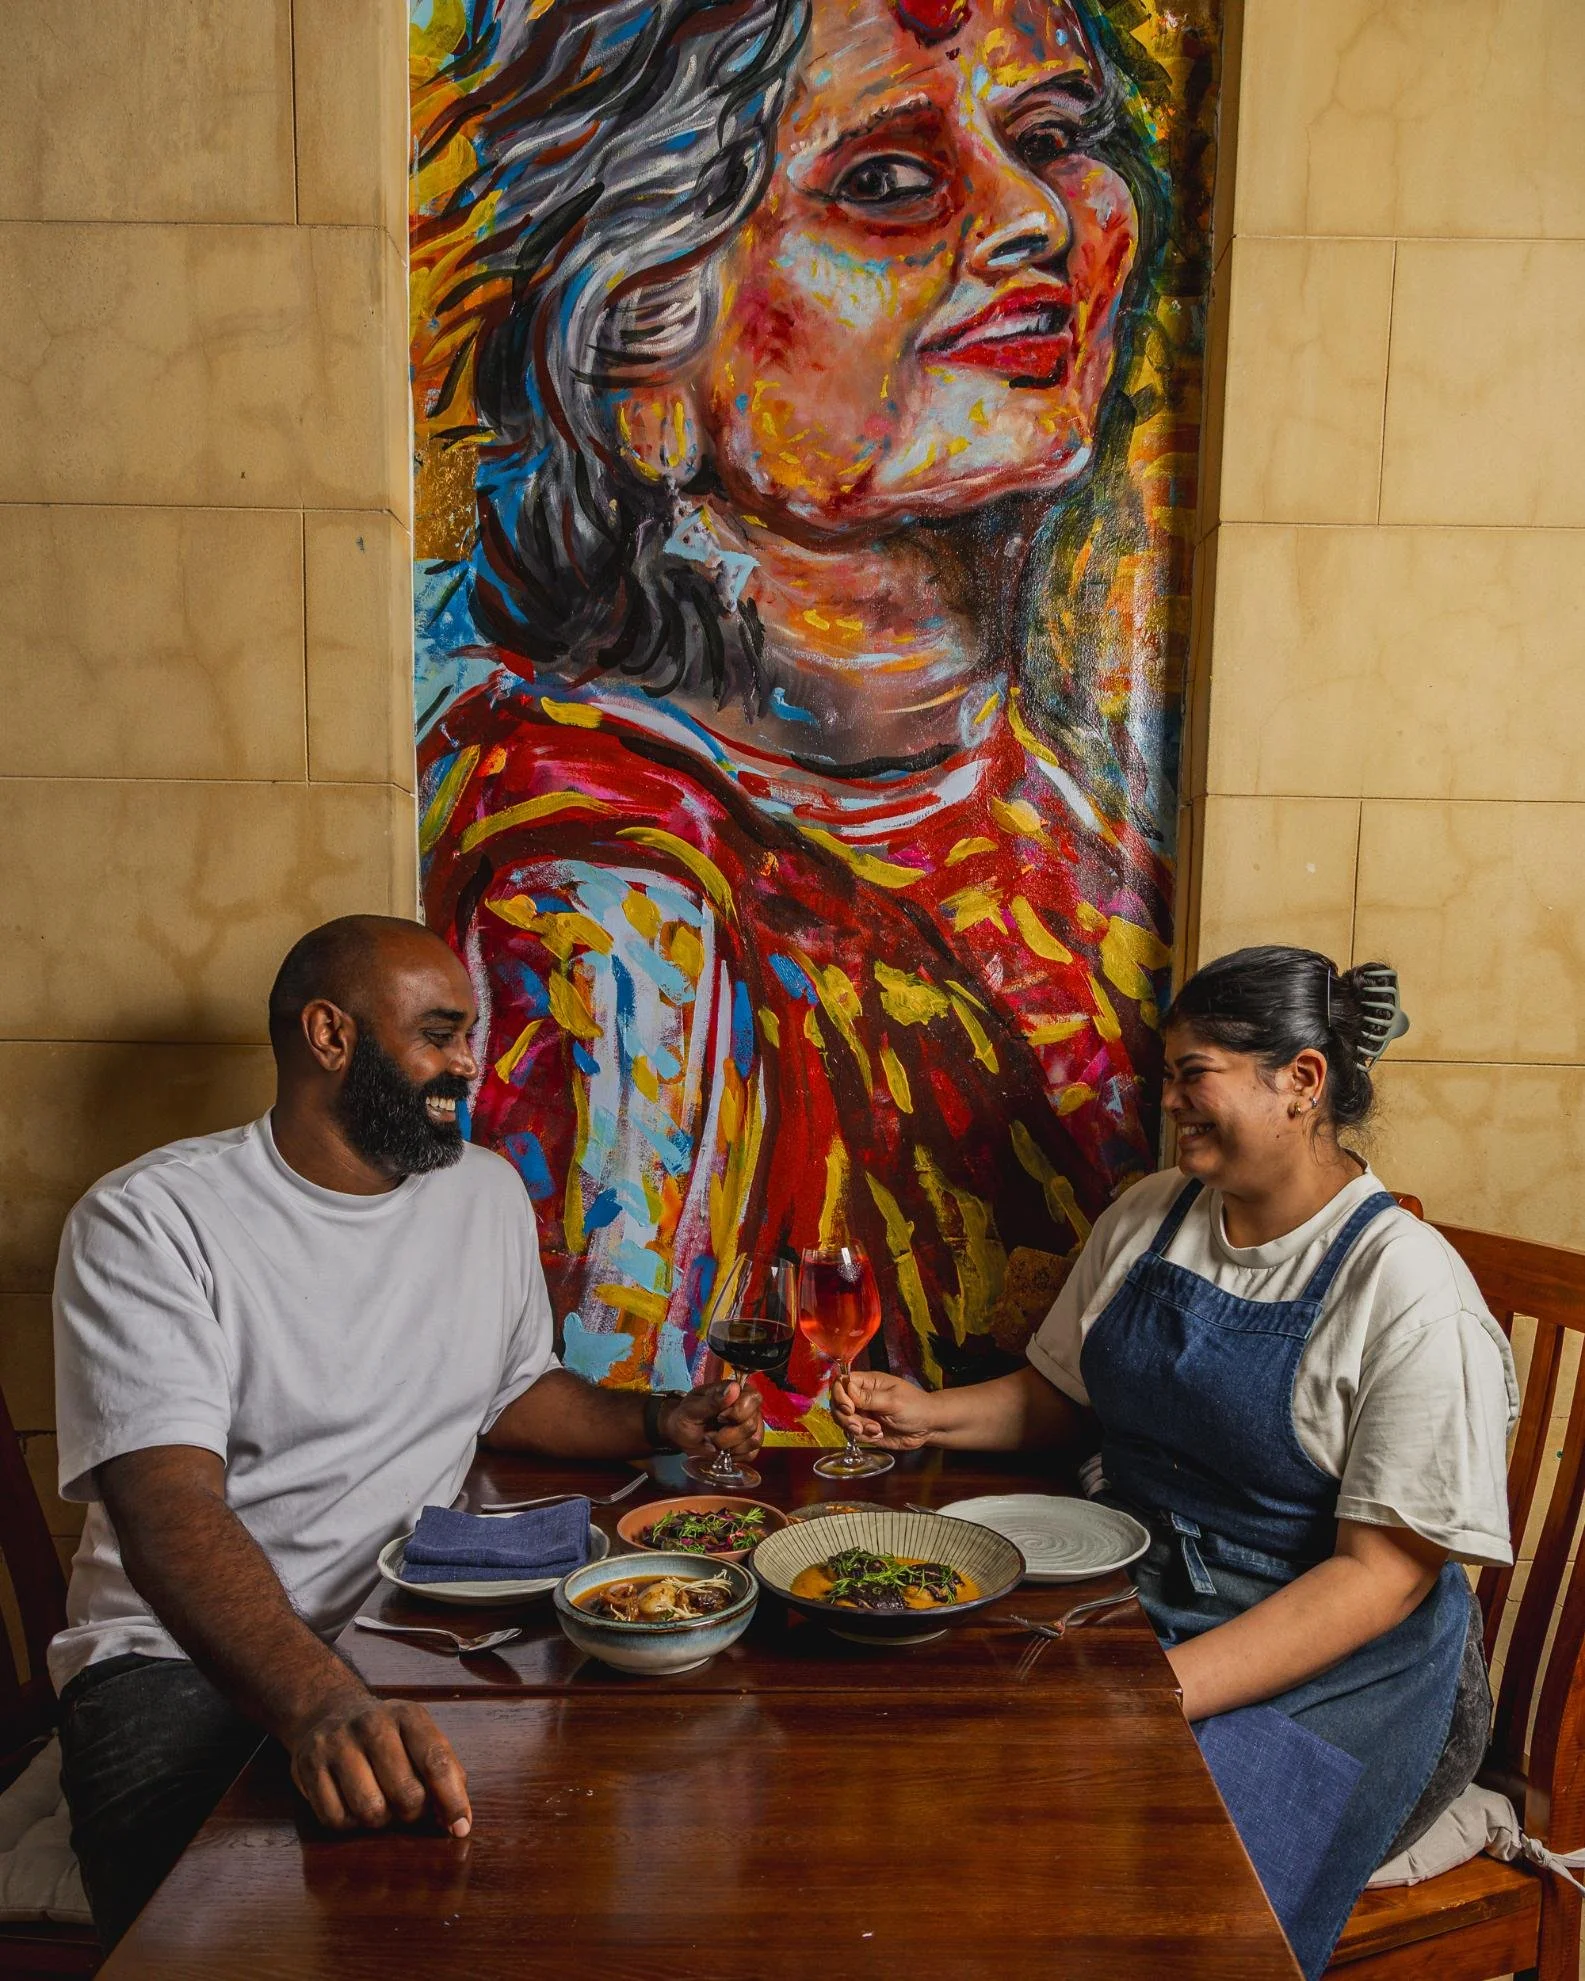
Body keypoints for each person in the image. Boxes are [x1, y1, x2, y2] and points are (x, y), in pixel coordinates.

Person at [410, 0, 1203, 1430]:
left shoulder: (1056, 815)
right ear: (643, 357)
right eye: (887, 181)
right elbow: (627, 1459)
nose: (1030, 218)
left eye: (1054, 138)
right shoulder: (602, 904)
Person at [49, 915, 762, 1949]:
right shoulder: (150, 1220)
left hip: (414, 1626)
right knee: (223, 1938)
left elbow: (512, 1390)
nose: (467, 1064)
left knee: (548, 1889)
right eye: (439, 1032)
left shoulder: (479, 1191)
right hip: (177, 1662)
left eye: (467, 1034)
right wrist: (321, 1705)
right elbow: (168, 1513)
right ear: (330, 1036)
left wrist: (657, 1418)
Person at [833, 945, 1517, 1979]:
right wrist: (925, 1414)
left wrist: (1158, 1693)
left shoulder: (1408, 1291)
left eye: (1192, 1075)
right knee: (945, 1781)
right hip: (1145, 1599)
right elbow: (1060, 1401)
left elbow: (1380, 1577)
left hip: (1344, 1672)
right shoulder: (1153, 1213)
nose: (1166, 1103)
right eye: (1167, 1077)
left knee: (1147, 1899)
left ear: (1299, 1080)